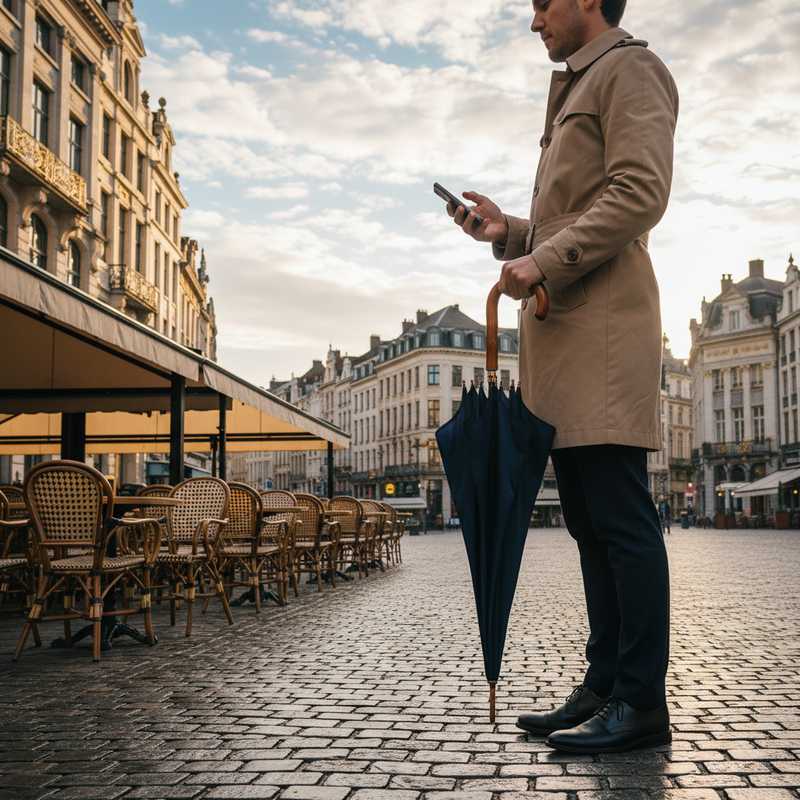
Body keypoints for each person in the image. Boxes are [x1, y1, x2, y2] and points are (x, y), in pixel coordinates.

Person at [442, 0, 678, 754]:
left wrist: (539, 259)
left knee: (620, 519)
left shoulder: (630, 68)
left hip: (603, 334)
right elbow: (576, 212)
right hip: (568, 336)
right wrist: (507, 232)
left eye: (543, 3)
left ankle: (641, 702)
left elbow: (639, 194)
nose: (534, 17)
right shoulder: (581, 81)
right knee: (586, 522)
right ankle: (605, 681)